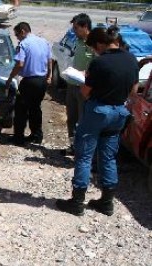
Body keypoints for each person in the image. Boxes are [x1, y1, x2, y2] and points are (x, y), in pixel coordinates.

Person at [56, 26, 139, 216]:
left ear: (101, 44)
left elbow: (85, 92)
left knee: (84, 156)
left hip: (98, 112)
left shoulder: (99, 62)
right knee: (108, 157)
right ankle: (107, 202)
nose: (94, 51)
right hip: (119, 112)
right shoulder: (131, 59)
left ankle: (77, 202)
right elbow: (133, 91)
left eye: (94, 47)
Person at [6, 22, 52, 146]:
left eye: (17, 35)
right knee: (35, 108)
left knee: (21, 109)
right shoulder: (44, 42)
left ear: (22, 31)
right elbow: (49, 60)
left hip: (29, 81)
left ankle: (18, 138)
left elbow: (20, 64)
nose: (17, 38)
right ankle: (37, 136)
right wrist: (49, 76)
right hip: (41, 81)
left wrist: (10, 78)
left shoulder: (24, 44)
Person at [64, 13, 94, 155]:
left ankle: (83, 150)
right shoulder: (78, 41)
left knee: (83, 120)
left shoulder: (95, 44)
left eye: (76, 28)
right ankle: (73, 146)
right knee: (71, 118)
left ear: (85, 27)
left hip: (85, 87)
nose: (74, 31)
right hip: (72, 84)